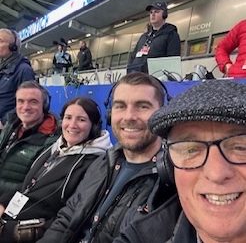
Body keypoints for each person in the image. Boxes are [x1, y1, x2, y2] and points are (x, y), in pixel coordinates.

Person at [37, 72, 175, 243]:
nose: (129, 116)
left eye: (142, 106)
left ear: (163, 115)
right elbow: (67, 218)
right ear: (110, 114)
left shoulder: (173, 179)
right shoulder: (102, 162)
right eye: (120, 106)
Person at [114, 79, 246, 243]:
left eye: (241, 148)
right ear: (168, 166)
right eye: (190, 149)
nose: (216, 173)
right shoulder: (137, 237)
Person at [0, 97, 112, 243]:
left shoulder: (96, 163)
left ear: (94, 126)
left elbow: (70, 218)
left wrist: (14, 231)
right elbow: (27, 187)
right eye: (68, 117)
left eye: (81, 120)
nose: (72, 125)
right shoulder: (55, 148)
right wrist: (3, 203)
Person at [0, 80, 59, 194]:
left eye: (33, 102)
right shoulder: (11, 127)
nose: (25, 107)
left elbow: (32, 187)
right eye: (20, 101)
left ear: (44, 106)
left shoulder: (51, 140)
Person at [127, 1, 181, 73]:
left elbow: (172, 61)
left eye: (156, 12)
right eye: (151, 12)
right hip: (136, 78)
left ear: (164, 15)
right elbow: (132, 57)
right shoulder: (144, 37)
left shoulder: (171, 35)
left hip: (154, 79)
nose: (153, 14)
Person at [0, 28, 35, 128]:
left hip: (7, 128)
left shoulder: (24, 70)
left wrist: (4, 122)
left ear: (13, 47)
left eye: (0, 41)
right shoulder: (3, 68)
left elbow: (28, 103)